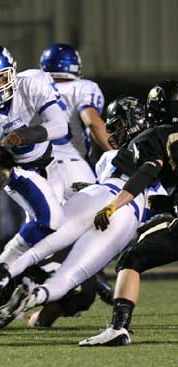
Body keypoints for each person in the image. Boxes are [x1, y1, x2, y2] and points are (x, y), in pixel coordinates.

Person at [0, 96, 166, 329]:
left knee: (42, 247)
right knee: (71, 275)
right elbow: (154, 206)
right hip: (127, 215)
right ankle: (37, 296)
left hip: (97, 193)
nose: (112, 133)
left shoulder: (108, 157)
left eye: (116, 126)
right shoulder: (160, 160)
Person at [0, 44, 69, 301]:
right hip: (16, 170)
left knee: (47, 229)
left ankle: (6, 277)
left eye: (0, 76)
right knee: (51, 218)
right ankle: (2, 270)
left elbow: (59, 125)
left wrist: (25, 135)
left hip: (49, 164)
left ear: (12, 71)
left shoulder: (32, 83)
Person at [79, 80, 178, 346]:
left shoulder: (157, 135)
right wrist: (163, 205)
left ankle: (117, 328)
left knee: (131, 260)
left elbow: (146, 172)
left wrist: (113, 205)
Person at [39, 43, 111, 199]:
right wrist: (116, 152)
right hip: (74, 167)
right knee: (92, 218)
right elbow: (91, 121)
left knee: (43, 220)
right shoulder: (83, 87)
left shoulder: (35, 89)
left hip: (41, 168)